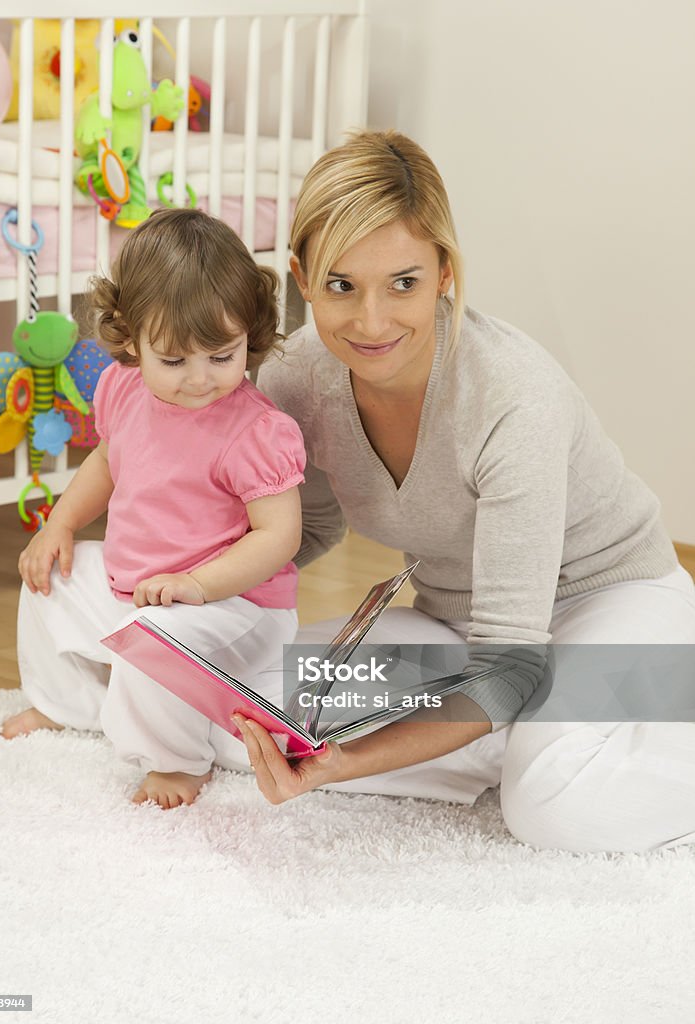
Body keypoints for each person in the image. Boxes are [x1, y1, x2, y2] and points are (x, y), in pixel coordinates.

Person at [230, 129, 695, 853]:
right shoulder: (295, 378)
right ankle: (500, 738)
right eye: (340, 286)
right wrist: (195, 586)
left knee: (554, 808)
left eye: (403, 283)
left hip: (605, 604)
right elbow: (305, 530)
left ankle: (539, 734)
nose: (371, 321)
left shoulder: (514, 401)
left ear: (444, 272)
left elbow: (509, 663)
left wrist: (344, 762)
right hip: (460, 627)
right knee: (244, 709)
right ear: (300, 276)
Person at [1, 208, 306, 810]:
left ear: (251, 333)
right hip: (137, 585)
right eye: (173, 360)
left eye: (222, 356)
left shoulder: (256, 430)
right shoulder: (123, 386)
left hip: (232, 606)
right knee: (46, 580)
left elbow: (279, 535)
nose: (199, 379)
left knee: (155, 640)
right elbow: (108, 463)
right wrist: (59, 525)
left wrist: (198, 584)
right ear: (132, 340)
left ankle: (176, 761)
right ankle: (68, 704)